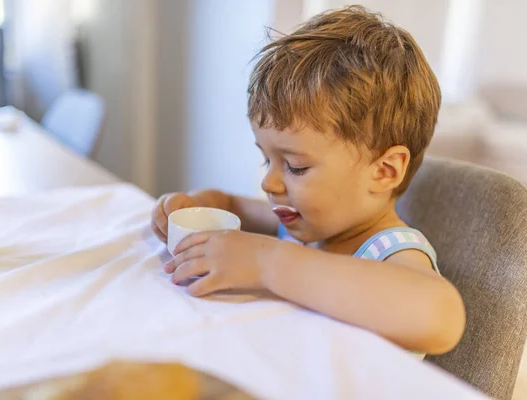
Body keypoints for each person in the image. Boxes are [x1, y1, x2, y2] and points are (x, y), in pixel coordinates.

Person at [152, 5, 465, 356]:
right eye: (266, 158)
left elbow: (441, 316)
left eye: (295, 167)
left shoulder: (391, 252)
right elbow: (231, 205)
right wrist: (196, 204)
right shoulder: (303, 221)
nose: (269, 182)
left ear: (385, 171)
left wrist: (268, 263)